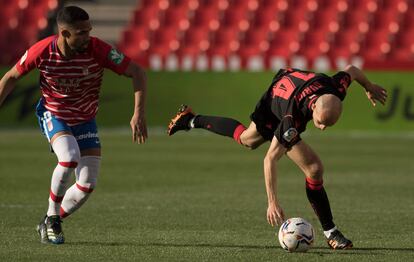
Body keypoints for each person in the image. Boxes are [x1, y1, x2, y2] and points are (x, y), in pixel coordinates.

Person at [167, 65, 387, 250]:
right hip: (276, 99)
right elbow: (269, 159)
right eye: (320, 123)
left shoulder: (336, 87)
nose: (321, 128)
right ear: (313, 109)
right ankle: (191, 120)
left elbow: (352, 70)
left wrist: (369, 87)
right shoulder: (292, 120)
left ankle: (331, 232)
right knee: (250, 141)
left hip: (291, 81)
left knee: (313, 169)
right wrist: (272, 202)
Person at [0, 6, 147, 244]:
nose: (87, 36)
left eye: (89, 30)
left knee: (87, 184)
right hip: (54, 114)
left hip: (85, 119)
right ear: (64, 34)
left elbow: (137, 72)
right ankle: (52, 218)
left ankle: (47, 222)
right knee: (69, 157)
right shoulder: (43, 50)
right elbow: (10, 77)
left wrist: (138, 113)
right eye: (81, 32)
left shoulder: (98, 49)